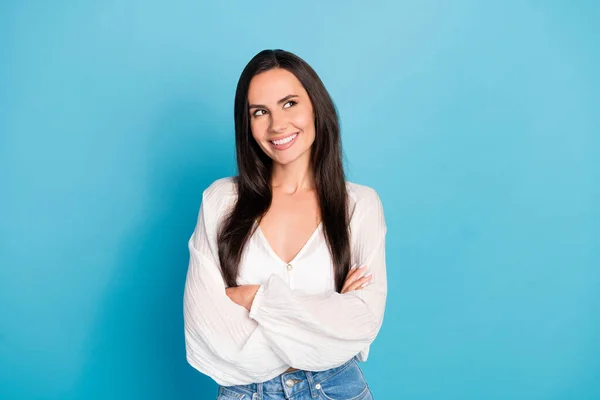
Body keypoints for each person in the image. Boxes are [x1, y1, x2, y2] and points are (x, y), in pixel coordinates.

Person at [183, 49, 387, 400]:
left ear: (315, 106)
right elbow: (207, 334)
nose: (277, 124)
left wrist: (256, 299)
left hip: (337, 390)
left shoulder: (360, 206)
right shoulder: (221, 201)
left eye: (289, 103)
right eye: (260, 112)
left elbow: (362, 322)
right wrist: (326, 314)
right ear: (246, 124)